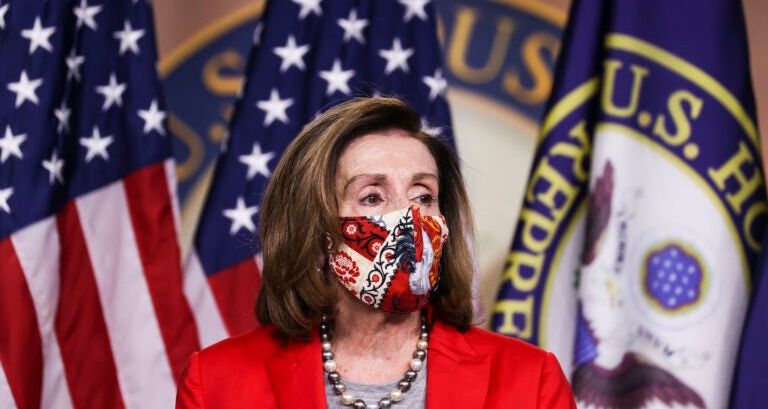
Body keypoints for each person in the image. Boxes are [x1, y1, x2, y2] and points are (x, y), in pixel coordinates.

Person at [176, 97, 576, 408]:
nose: (409, 216)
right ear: (316, 232)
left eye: (423, 196)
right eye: (372, 197)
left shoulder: (530, 379)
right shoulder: (217, 383)